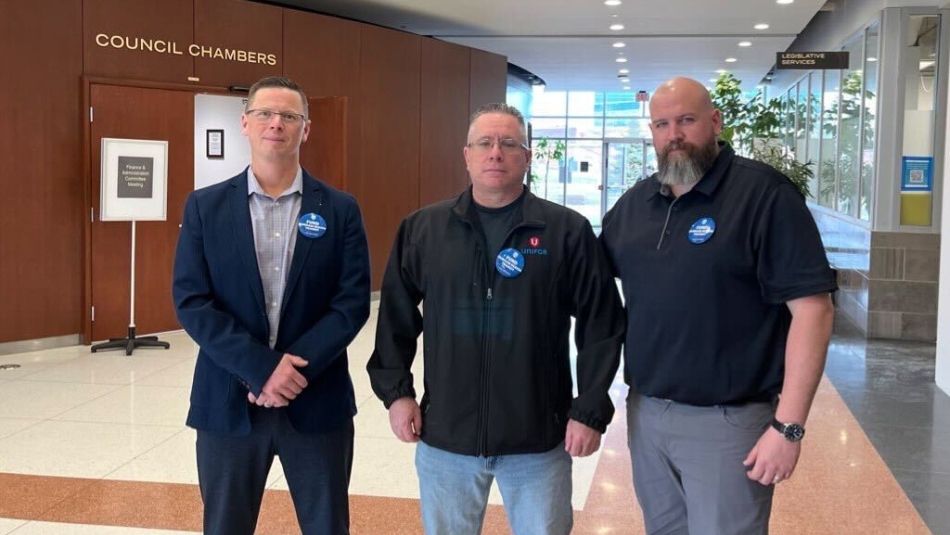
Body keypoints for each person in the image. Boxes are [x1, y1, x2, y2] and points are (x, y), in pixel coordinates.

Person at [367, 103, 625, 535]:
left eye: (509, 143)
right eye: (484, 143)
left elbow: (602, 322)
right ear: (466, 155)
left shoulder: (566, 231)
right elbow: (395, 315)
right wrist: (396, 393)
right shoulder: (424, 229)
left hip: (539, 439)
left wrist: (590, 408)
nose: (495, 153)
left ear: (527, 157)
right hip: (446, 433)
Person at [600, 76, 837, 535]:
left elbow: (814, 310)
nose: (674, 135)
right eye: (661, 124)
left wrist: (788, 427)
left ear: (714, 121)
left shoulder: (764, 196)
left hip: (729, 423)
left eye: (686, 120)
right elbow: (585, 282)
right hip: (647, 414)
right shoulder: (636, 205)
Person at [172, 76, 370, 535]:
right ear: (244, 123)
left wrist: (291, 370)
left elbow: (351, 302)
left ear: (306, 129)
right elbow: (192, 300)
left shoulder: (340, 209)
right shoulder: (205, 207)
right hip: (228, 403)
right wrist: (261, 369)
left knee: (327, 526)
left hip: (316, 400)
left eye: (289, 116)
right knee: (225, 526)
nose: (275, 124)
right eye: (265, 113)